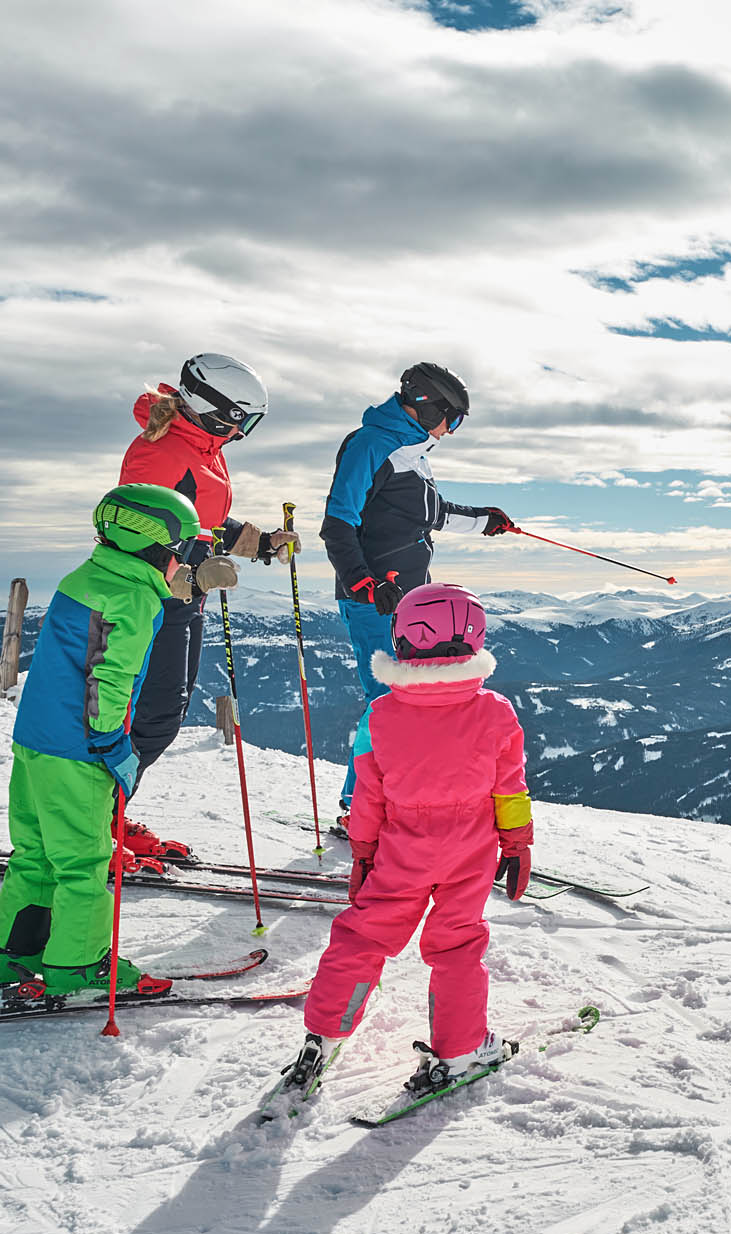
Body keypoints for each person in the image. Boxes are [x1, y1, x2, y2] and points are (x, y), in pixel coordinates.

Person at [276, 583, 533, 1098]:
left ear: (402, 641)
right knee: (457, 944)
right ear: (473, 639)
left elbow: (367, 797)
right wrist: (517, 843)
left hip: (401, 848)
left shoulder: (382, 715)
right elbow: (510, 787)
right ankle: (459, 1050)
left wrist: (365, 853)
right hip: (471, 848)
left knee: (362, 937)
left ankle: (322, 1037)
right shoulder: (496, 711)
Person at [0, 485, 203, 993]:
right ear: (156, 549)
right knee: (84, 861)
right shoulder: (133, 598)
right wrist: (114, 747)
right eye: (180, 553)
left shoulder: (83, 577)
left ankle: (15, 950)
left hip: (34, 743)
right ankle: (77, 963)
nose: (182, 565)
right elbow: (108, 682)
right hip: (77, 750)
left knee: (36, 854)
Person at [117, 353, 300, 861]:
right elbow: (137, 543)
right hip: (151, 604)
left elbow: (202, 522)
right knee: (146, 718)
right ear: (215, 409)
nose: (246, 431)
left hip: (183, 601)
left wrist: (260, 543)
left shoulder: (203, 446)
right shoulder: (162, 453)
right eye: (246, 419)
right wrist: (195, 575)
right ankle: (92, 822)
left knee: (161, 715)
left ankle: (106, 810)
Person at [320, 362, 515, 833]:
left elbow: (429, 514)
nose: (455, 429)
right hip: (373, 599)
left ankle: (391, 802)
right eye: (456, 418)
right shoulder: (372, 444)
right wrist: (366, 583)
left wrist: (483, 520)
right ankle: (359, 810)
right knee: (386, 700)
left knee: (409, 698)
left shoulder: (413, 451)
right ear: (430, 406)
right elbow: (337, 523)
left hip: (408, 600)